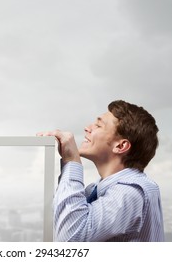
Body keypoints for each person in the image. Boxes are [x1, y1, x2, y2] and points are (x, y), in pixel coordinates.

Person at [37, 100, 164, 241]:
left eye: (98, 125)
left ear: (121, 146)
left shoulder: (130, 192)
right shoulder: (98, 189)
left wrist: (72, 161)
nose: (87, 128)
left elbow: (71, 238)